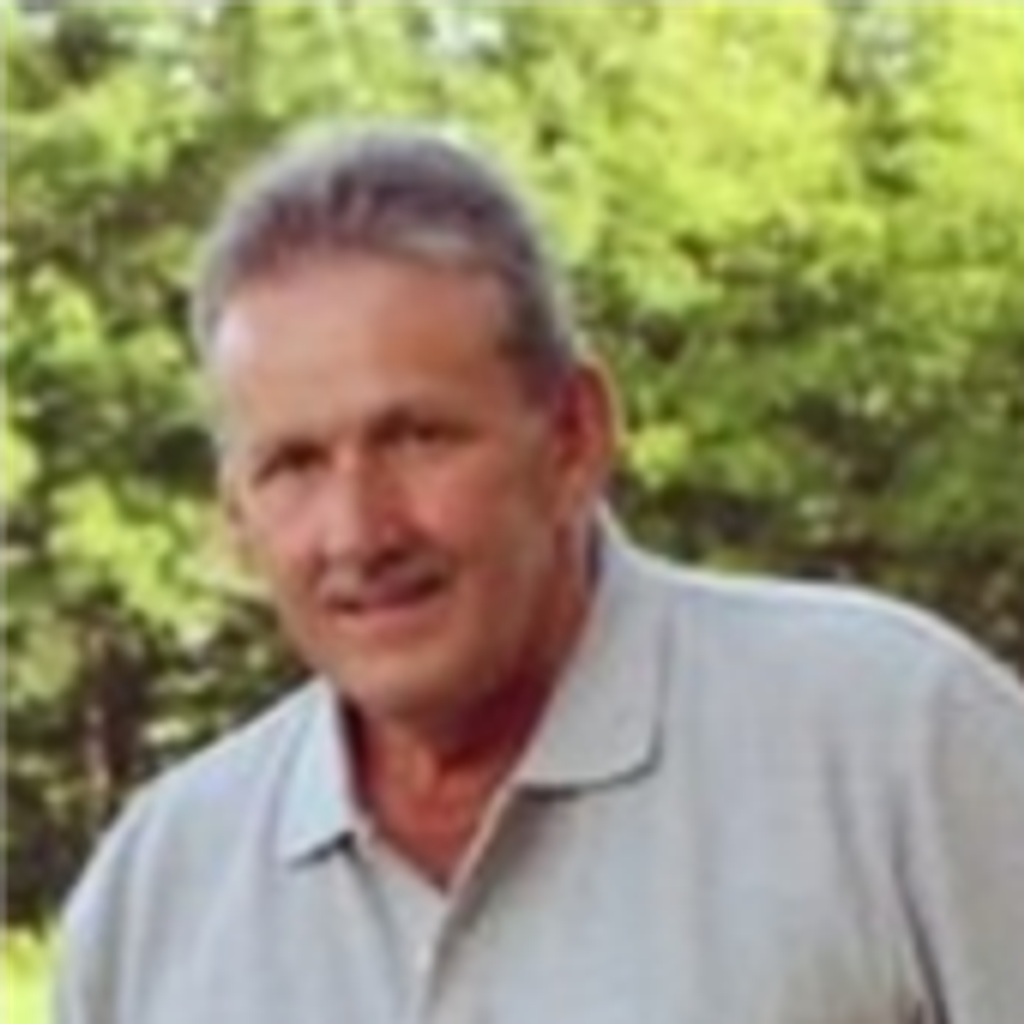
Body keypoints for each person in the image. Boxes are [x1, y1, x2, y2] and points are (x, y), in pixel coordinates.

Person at [55, 120, 1024, 1024]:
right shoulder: (158, 894)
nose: (359, 532)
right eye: (294, 464)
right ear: (236, 512)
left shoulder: (896, 747)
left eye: (418, 436)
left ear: (573, 436)